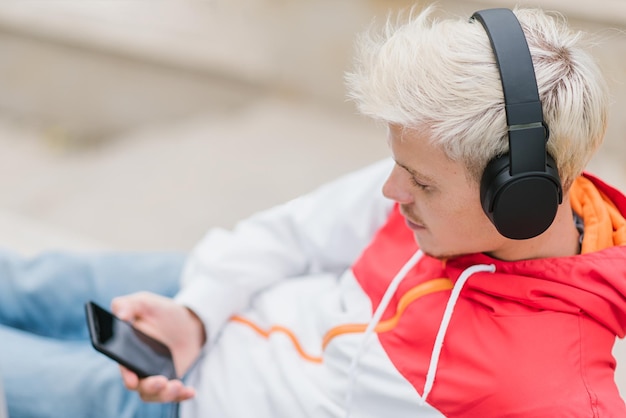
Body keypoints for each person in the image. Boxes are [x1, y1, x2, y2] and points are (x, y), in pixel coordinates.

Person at [2, 5, 626, 417]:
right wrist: (197, 313)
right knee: (27, 283)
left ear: (518, 200)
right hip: (213, 288)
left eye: (421, 184)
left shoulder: (555, 395)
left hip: (184, 402)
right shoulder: (430, 182)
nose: (389, 193)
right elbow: (291, 237)